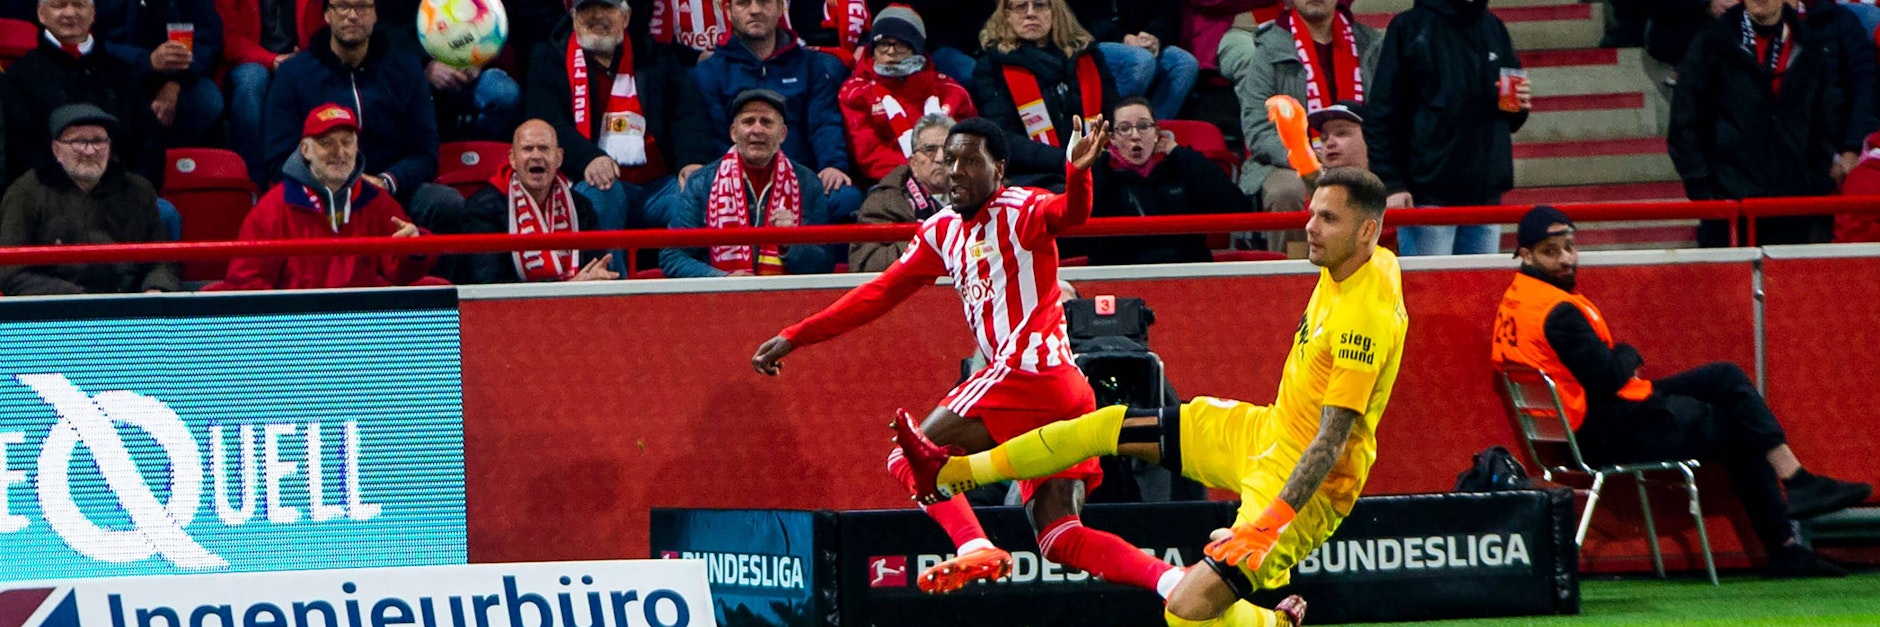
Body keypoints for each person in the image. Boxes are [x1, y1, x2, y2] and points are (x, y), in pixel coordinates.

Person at [895, 167, 1406, 627]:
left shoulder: (1365, 318)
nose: (1310, 228)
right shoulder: (1365, 255)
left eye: (1327, 219)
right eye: (1312, 213)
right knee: (1104, 425)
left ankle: (1272, 625)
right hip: (1261, 432)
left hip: (1302, 489)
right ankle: (958, 473)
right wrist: (1303, 154)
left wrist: (1269, 524)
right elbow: (1356, 195)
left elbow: (1330, 441)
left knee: (1184, 611)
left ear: (1365, 231)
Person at [753, 116, 1195, 603]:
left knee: (909, 456)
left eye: (969, 160)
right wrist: (797, 335)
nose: (955, 171)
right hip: (1064, 388)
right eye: (948, 161)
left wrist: (1076, 171)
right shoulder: (941, 231)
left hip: (1026, 373)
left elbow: (1071, 214)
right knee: (1058, 535)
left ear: (999, 169)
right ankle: (1174, 580)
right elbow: (878, 293)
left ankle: (974, 543)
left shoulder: (1021, 209)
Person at [1490, 205, 1872, 577]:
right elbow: (1608, 376)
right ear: (1525, 254)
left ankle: (1798, 487)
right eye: (1551, 252)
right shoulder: (1559, 311)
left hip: (1588, 425)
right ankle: (1788, 536)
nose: (1566, 259)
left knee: (1724, 377)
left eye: (1570, 247)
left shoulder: (1518, 300)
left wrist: (1617, 361)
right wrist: (1626, 352)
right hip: (1609, 431)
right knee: (1741, 427)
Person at [528, 0, 715, 273]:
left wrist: (692, 161)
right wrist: (588, 158)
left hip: (657, 186)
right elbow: (548, 123)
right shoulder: (550, 58)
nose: (597, 17)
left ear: (626, 17)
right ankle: (612, 295)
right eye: (588, 9)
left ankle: (695, 290)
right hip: (592, 184)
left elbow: (687, 114)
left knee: (691, 194)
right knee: (604, 191)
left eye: (607, 8)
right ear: (574, 16)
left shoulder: (654, 57)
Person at [263, 0, 463, 233]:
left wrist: (385, 182)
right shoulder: (293, 74)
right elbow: (279, 159)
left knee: (446, 203)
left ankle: (429, 270)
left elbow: (424, 154)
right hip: (320, 195)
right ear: (327, 14)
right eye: (343, 6)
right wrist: (336, 184)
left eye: (362, 7)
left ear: (376, 14)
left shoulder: (406, 69)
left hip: (390, 191)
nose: (353, 15)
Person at [208, 103, 442, 290]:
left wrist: (415, 249)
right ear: (305, 150)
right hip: (297, 334)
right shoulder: (272, 209)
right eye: (327, 143)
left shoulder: (377, 201)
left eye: (347, 142)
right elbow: (248, 284)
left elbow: (400, 275)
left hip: (364, 331)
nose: (339, 152)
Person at [1365, 0, 1529, 256]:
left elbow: (1513, 116)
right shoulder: (1409, 27)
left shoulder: (1494, 27)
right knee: (1429, 290)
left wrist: (1518, 106)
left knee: (1480, 291)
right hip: (1428, 196)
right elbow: (1382, 113)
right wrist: (1391, 183)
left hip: (1486, 196)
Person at [1669, 0, 1839, 246]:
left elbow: (1824, 123)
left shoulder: (1810, 48)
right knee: (1728, 284)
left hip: (1792, 205)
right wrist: (1703, 190)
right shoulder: (1712, 43)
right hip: (1727, 203)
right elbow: (1685, 121)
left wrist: (1815, 187)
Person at [691, 0, 863, 222]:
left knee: (847, 198)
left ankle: (803, 252)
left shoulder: (810, 64)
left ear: (781, 7)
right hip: (736, 185)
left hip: (802, 182)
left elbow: (824, 122)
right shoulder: (709, 71)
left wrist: (832, 165)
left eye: (764, 2)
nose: (755, 10)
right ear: (729, 11)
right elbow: (713, 138)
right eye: (743, 3)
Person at [1218, 0, 1380, 217]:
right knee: (1286, 192)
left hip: (1363, 155)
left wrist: (1363, 154)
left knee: (1399, 181)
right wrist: (1305, 159)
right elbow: (1258, 128)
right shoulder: (1268, 48)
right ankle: (1294, 253)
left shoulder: (1371, 44)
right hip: (1286, 163)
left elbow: (1388, 114)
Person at [0, 104, 179, 296]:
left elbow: (162, 260)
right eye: (79, 142)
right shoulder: (26, 192)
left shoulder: (137, 190)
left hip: (130, 306)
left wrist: (156, 289)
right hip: (58, 312)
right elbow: (11, 271)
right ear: (56, 149)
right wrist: (79, 299)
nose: (90, 151)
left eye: (98, 141)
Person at [661, 89, 834, 277]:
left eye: (766, 122)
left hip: (786, 300)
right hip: (716, 301)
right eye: (748, 121)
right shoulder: (701, 183)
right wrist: (722, 279)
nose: (757, 130)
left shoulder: (807, 183)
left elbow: (824, 264)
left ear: (783, 133)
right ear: (734, 133)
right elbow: (673, 256)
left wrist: (792, 242)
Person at [7, 0, 166, 186]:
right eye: (59, 6)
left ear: (92, 13)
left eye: (79, 5)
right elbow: (18, 152)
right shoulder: (19, 78)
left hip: (121, 195)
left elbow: (149, 141)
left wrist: (133, 190)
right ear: (41, 14)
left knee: (167, 214)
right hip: (50, 199)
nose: (69, 13)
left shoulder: (121, 73)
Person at [1086, 96, 1246, 265]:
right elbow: (1080, 222)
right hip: (1123, 274)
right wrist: (1097, 162)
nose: (1135, 135)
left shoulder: (1182, 166)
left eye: (1143, 126)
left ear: (1156, 133)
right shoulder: (1102, 173)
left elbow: (1234, 204)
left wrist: (1179, 153)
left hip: (1186, 273)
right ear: (1112, 139)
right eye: (1124, 128)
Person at [457, 120, 619, 284]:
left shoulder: (580, 206)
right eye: (527, 149)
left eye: (544, 148)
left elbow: (598, 265)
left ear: (559, 158)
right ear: (512, 159)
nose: (536, 156)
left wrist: (597, 276)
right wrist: (566, 289)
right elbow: (488, 283)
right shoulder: (482, 209)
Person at [838, 6, 977, 183]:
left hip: (953, 176)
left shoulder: (949, 89)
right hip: (893, 182)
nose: (890, 51)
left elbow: (971, 142)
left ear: (916, 49)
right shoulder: (855, 93)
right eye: (882, 44)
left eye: (899, 44)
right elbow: (869, 153)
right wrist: (919, 172)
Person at [371, 0, 523, 143]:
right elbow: (382, 29)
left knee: (504, 93)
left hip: (476, 67)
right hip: (415, 71)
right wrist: (425, 65)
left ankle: (479, 158)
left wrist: (481, 58)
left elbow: (504, 16)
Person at [217, 0, 325, 185]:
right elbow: (228, 36)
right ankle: (251, 181)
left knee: (316, 78)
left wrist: (307, 56)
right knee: (251, 83)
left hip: (303, 58)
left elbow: (325, 26)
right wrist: (271, 60)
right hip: (247, 61)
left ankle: (312, 179)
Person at [93, 0, 224, 149]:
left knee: (207, 99)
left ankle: (174, 161)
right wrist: (147, 61)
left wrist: (175, 81)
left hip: (181, 76)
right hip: (121, 73)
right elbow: (100, 41)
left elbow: (208, 41)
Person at [850, 112, 954, 272]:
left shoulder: (982, 196)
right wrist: (928, 241)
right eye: (930, 149)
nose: (940, 158)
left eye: (948, 149)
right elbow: (865, 265)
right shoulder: (885, 201)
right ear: (913, 163)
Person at [1070, 0, 1196, 120]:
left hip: (1138, 40)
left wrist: (1154, 35)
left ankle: (1150, 130)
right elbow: (1078, 18)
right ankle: (1116, 126)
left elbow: (1167, 10)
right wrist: (1122, 38)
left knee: (1184, 63)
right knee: (1141, 61)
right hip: (1090, 41)